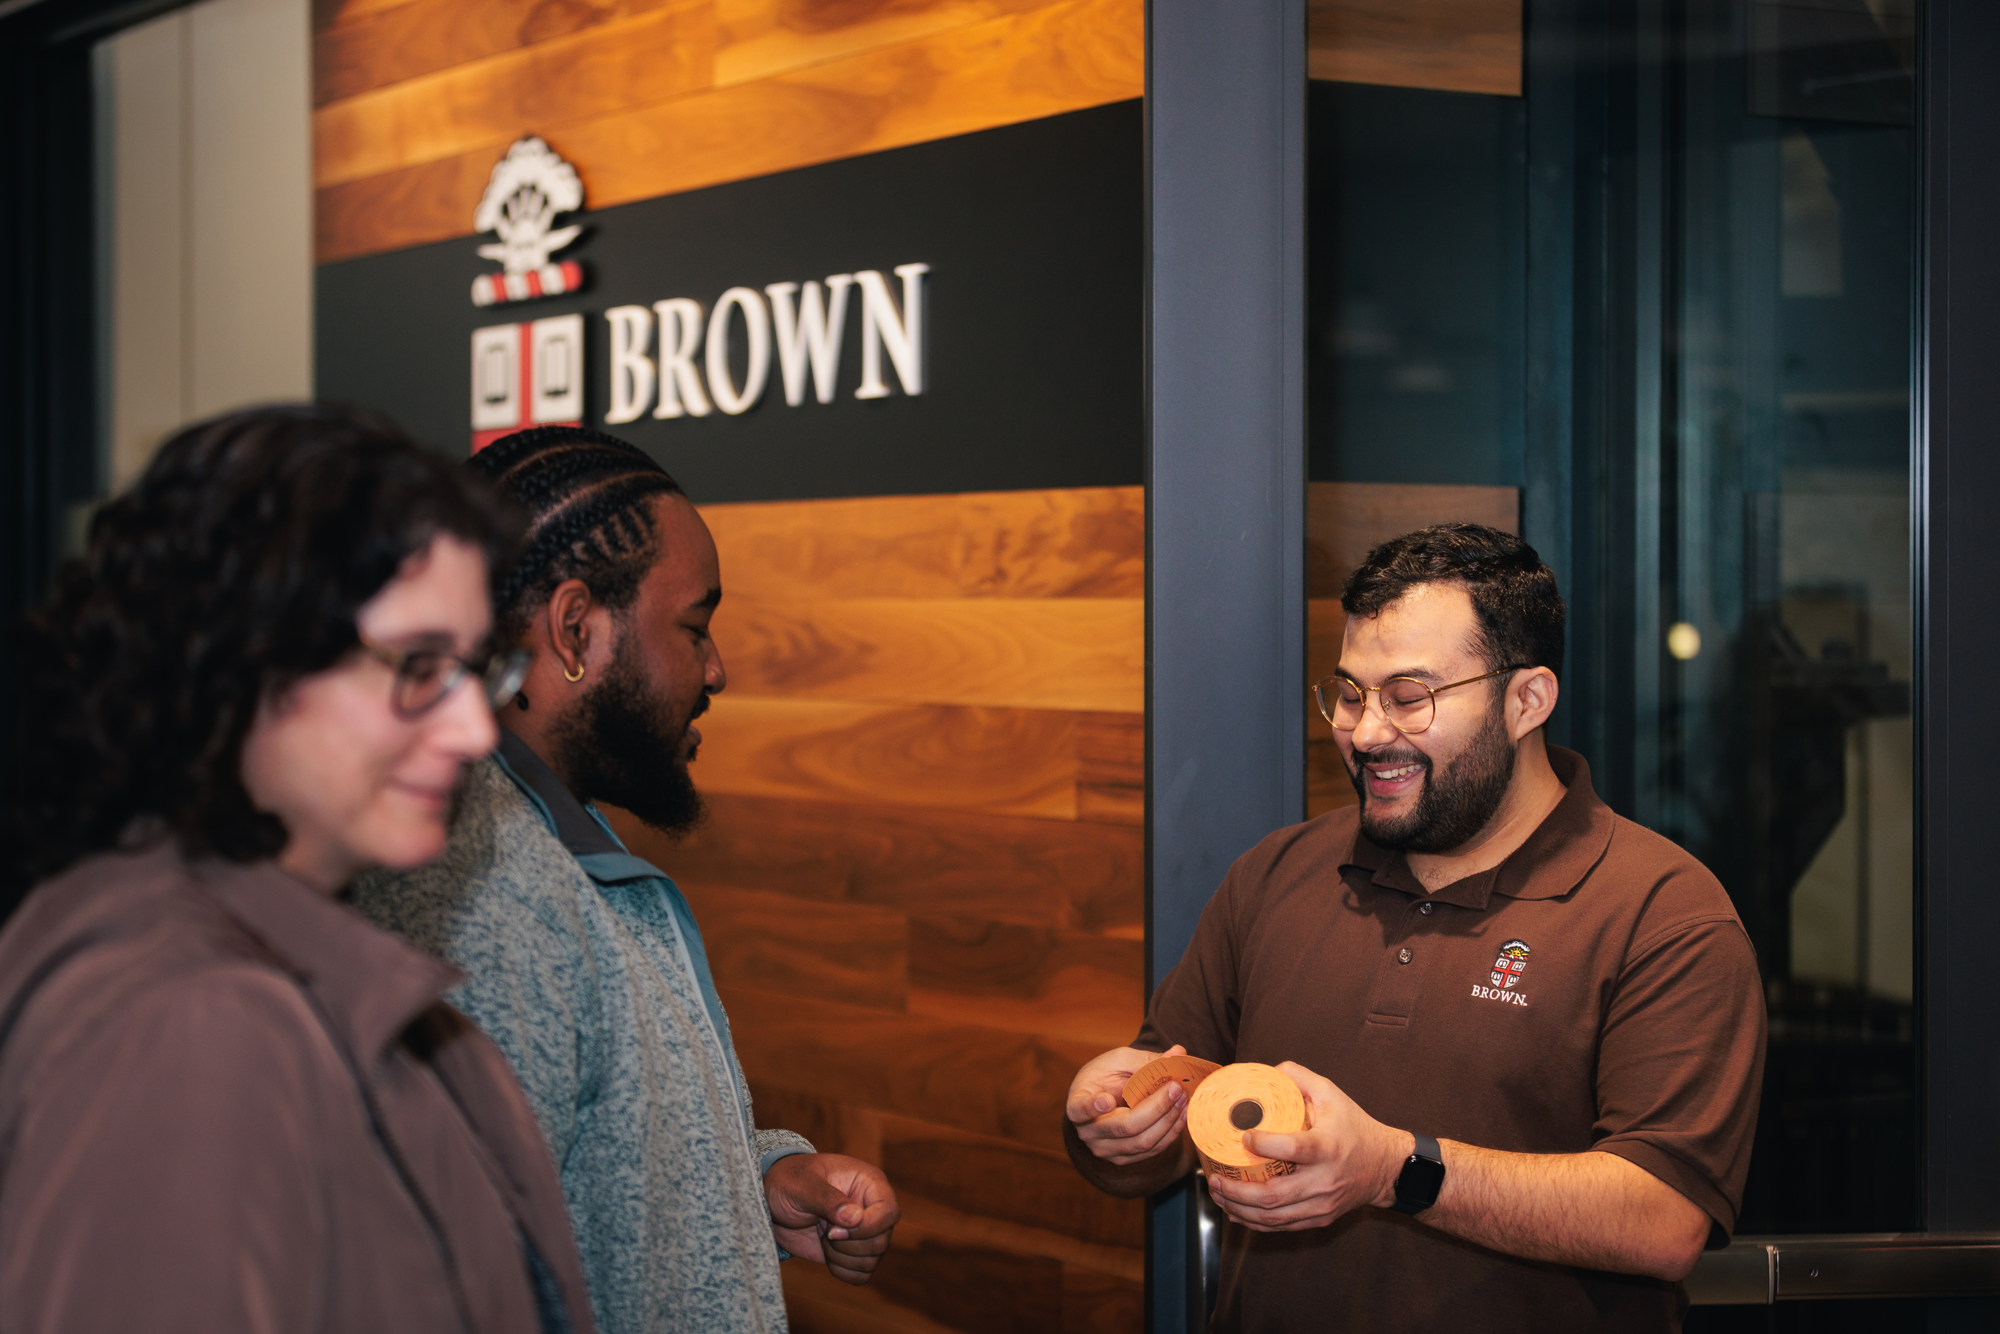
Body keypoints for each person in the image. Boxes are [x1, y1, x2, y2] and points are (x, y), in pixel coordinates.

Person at [1063, 523, 1766, 1332]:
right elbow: (1173, 1125)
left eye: (1408, 698)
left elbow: (1666, 1221)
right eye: (1351, 695)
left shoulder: (1663, 913)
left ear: (1527, 700)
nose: (1365, 734)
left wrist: (1396, 1170)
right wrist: (1115, 1129)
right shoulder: (1275, 874)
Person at [0, 405, 595, 1334]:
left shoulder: (268, 963)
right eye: (417, 665)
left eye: (476, 670)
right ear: (241, 654)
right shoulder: (195, 1027)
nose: (476, 729)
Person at [353, 426, 898, 1334]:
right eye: (694, 627)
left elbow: (576, 1159)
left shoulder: (545, 840)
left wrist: (755, 1181)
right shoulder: (484, 895)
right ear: (575, 630)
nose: (715, 669)